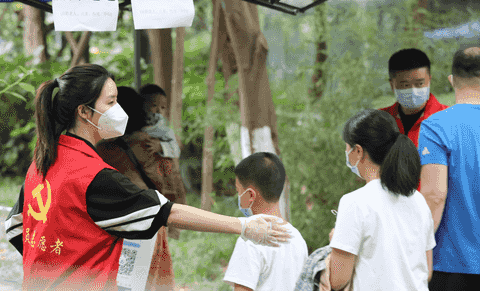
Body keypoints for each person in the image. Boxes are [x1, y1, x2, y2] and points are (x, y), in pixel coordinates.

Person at [4, 64, 290, 291]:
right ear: (83, 111)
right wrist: (243, 226)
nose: (119, 111)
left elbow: (15, 229)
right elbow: (168, 212)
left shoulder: (41, 164)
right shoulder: (94, 176)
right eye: (111, 101)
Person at [328, 109, 435, 291]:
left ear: (359, 151)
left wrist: (335, 243)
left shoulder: (354, 202)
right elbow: (427, 270)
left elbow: (338, 280)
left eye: (347, 148)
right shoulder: (418, 200)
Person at [96, 86, 178, 290]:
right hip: (148, 220)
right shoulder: (150, 144)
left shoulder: (101, 148)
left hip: (111, 227)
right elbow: (167, 182)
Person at [418, 47, 480, 291]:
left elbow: (434, 196)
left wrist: (417, 246)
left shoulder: (436, 127)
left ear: (452, 80)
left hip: (452, 265)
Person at [223, 152, 308, 291]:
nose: (238, 196)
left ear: (250, 195)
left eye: (239, 191)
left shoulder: (250, 238)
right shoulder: (297, 238)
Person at [380, 49, 448, 185]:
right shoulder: (380, 121)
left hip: (433, 203)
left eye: (419, 83)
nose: (413, 91)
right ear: (392, 85)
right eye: (405, 85)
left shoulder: (448, 119)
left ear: (429, 80)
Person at [139, 84, 181, 160]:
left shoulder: (165, 131)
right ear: (141, 106)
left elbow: (176, 151)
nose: (159, 110)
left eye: (163, 107)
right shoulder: (134, 127)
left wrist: (161, 146)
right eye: (154, 105)